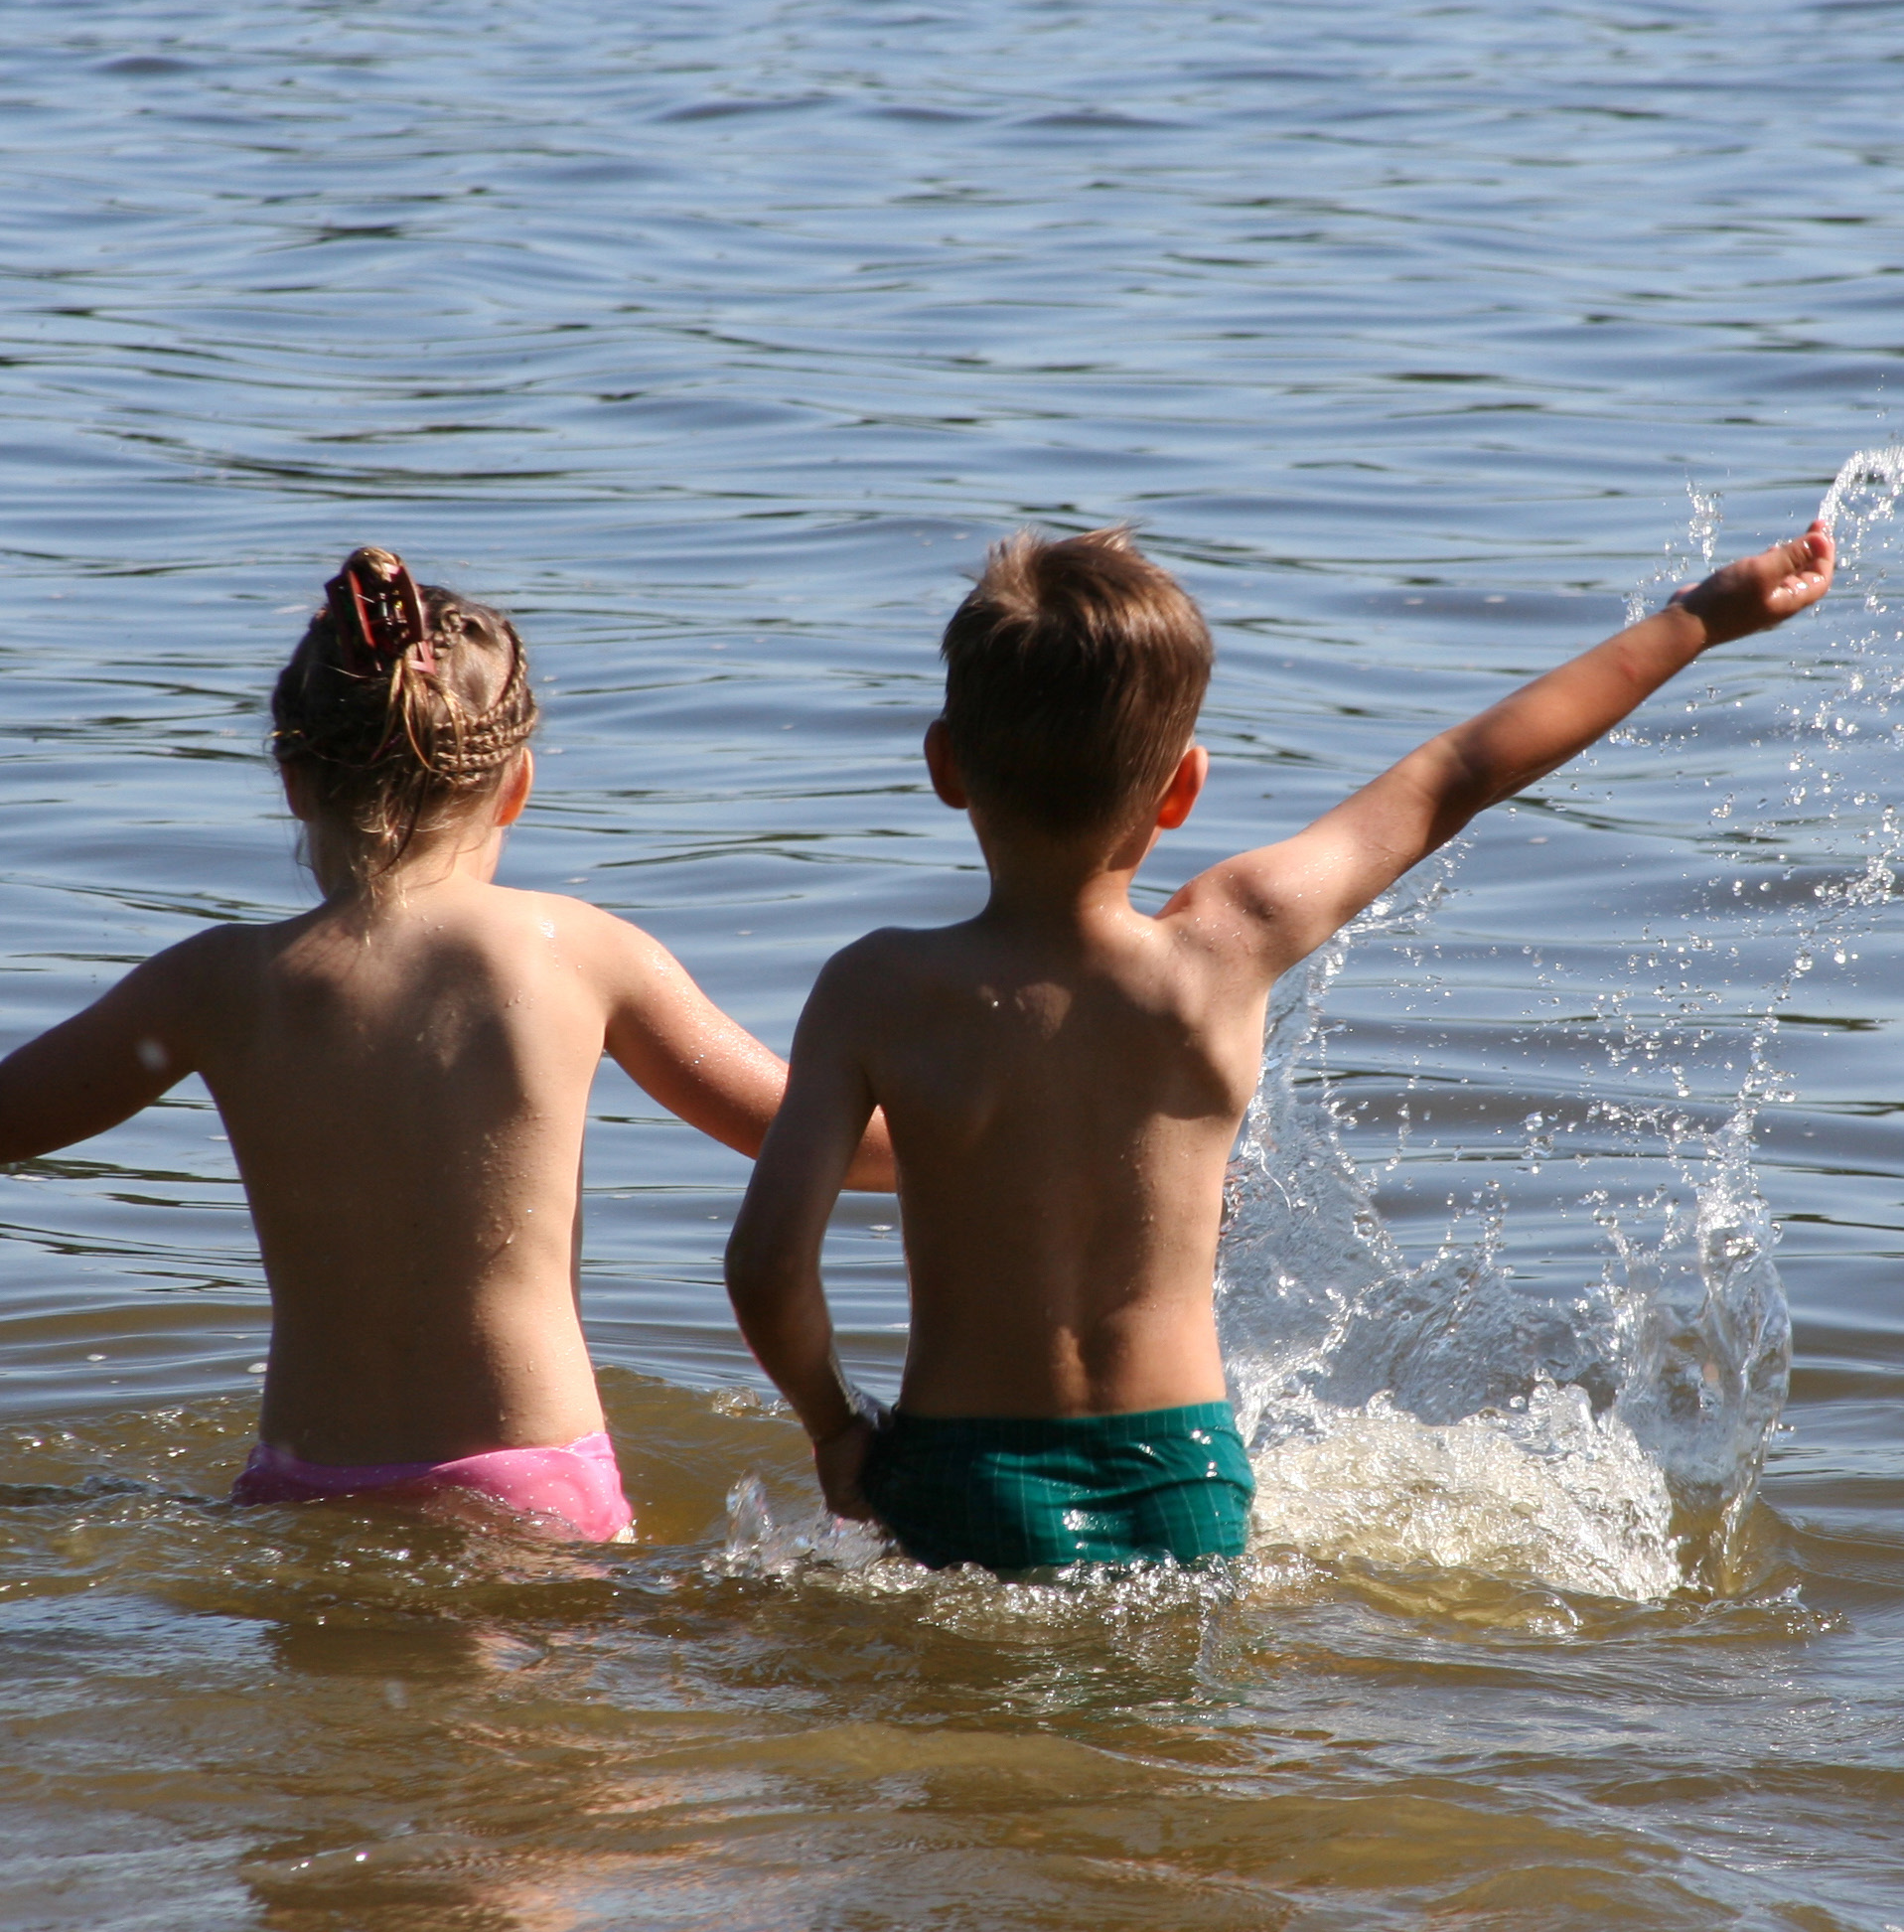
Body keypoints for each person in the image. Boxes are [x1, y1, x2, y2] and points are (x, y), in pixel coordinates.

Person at [724, 519, 1835, 1574]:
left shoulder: (875, 990)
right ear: (1182, 790)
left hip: (962, 1477)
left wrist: (834, 1428)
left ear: (944, 765)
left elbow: (768, 1265)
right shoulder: (1229, 943)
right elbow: (1458, 773)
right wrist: (1701, 616)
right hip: (1183, 1478)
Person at [0, 547, 890, 1543]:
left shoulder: (214, 983)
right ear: (517, 785)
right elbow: (841, 1148)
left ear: (293, 781)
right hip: (533, 1486)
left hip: (306, 1488)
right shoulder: (584, 953)